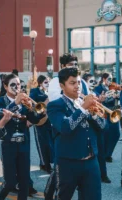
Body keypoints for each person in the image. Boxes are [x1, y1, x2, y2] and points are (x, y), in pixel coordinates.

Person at [47, 67, 106, 199]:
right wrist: (84, 108)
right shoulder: (55, 105)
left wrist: (95, 115)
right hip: (68, 163)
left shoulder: (84, 102)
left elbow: (102, 127)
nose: (77, 86)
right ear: (62, 86)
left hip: (91, 161)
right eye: (72, 83)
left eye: (79, 82)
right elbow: (65, 127)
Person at [0, 74, 44, 200]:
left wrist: (37, 110)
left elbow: (33, 119)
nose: (17, 87)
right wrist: (16, 103)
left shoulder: (24, 103)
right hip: (8, 145)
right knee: (10, 182)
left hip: (24, 144)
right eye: (13, 84)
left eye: (18, 84)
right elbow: (1, 118)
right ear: (5, 86)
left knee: (24, 182)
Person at [94, 73, 120, 163]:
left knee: (116, 134)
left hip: (114, 112)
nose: (110, 81)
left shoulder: (114, 87)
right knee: (105, 133)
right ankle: (104, 154)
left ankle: (109, 154)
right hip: (104, 113)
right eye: (109, 79)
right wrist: (107, 97)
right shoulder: (98, 88)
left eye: (111, 79)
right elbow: (98, 99)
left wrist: (118, 95)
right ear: (104, 79)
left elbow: (121, 93)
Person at [30, 75, 53, 174]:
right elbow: (31, 105)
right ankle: (45, 165)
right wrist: (45, 103)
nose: (48, 84)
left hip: (49, 120)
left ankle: (46, 163)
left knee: (50, 143)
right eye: (45, 82)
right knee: (42, 144)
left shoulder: (49, 92)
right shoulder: (35, 91)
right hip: (39, 120)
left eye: (48, 82)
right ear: (40, 83)